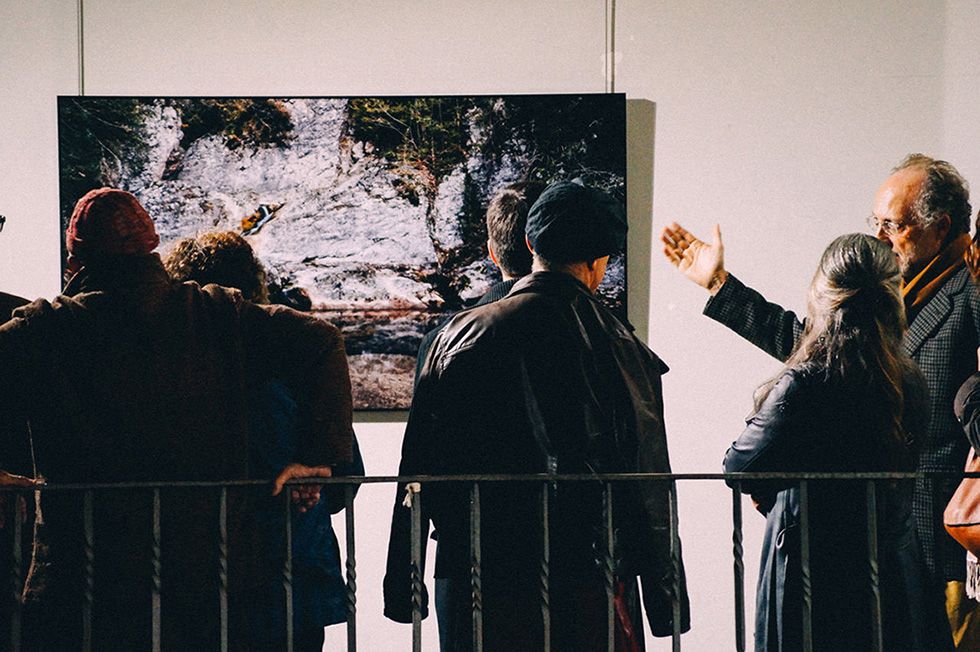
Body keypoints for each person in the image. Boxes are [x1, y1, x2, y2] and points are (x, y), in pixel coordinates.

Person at [0, 188, 354, 650]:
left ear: (76, 259)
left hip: (85, 579)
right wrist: (319, 456)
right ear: (152, 244)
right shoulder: (216, 313)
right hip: (210, 577)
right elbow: (322, 339)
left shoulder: (43, 328)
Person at [662, 154, 980, 646]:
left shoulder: (971, 296)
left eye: (892, 225)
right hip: (864, 559)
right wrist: (720, 287)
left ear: (939, 227)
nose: (878, 238)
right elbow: (819, 350)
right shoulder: (889, 294)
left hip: (939, 557)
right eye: (874, 223)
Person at [396, 180, 690, 650]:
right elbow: (649, 478)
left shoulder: (459, 335)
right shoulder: (621, 347)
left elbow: (417, 467)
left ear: (530, 245)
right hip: (585, 574)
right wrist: (665, 598)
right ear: (599, 262)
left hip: (475, 567)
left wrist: (403, 579)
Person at [724, 233, 952, 651]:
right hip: (888, 568)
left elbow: (738, 466)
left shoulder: (805, 381)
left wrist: (771, 492)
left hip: (811, 572)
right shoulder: (908, 380)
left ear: (823, 294)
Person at [163, 230, 364, 652]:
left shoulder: (174, 365)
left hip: (193, 574)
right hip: (290, 570)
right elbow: (347, 477)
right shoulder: (298, 354)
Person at [383, 181, 544, 648]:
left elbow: (417, 459)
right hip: (567, 551)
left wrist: (403, 578)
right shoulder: (583, 330)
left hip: (466, 550)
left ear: (492, 252)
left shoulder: (447, 336)